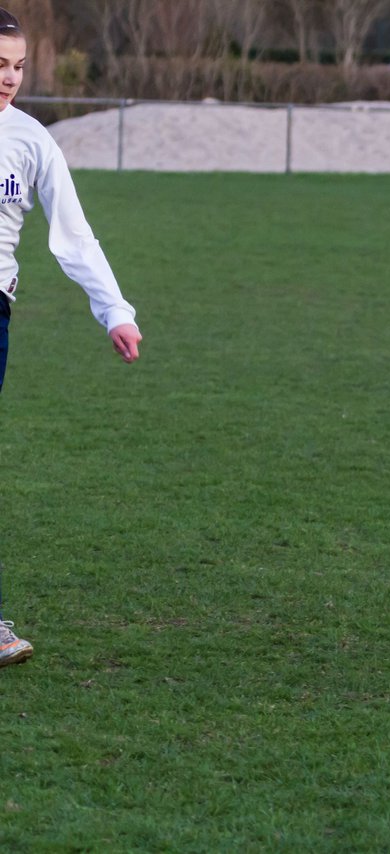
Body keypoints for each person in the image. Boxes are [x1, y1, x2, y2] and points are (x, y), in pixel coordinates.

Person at [0, 7, 143, 669]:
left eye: (20, 66)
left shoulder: (32, 142)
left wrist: (113, 309)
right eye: (0, 64)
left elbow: (74, 232)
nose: (11, 78)